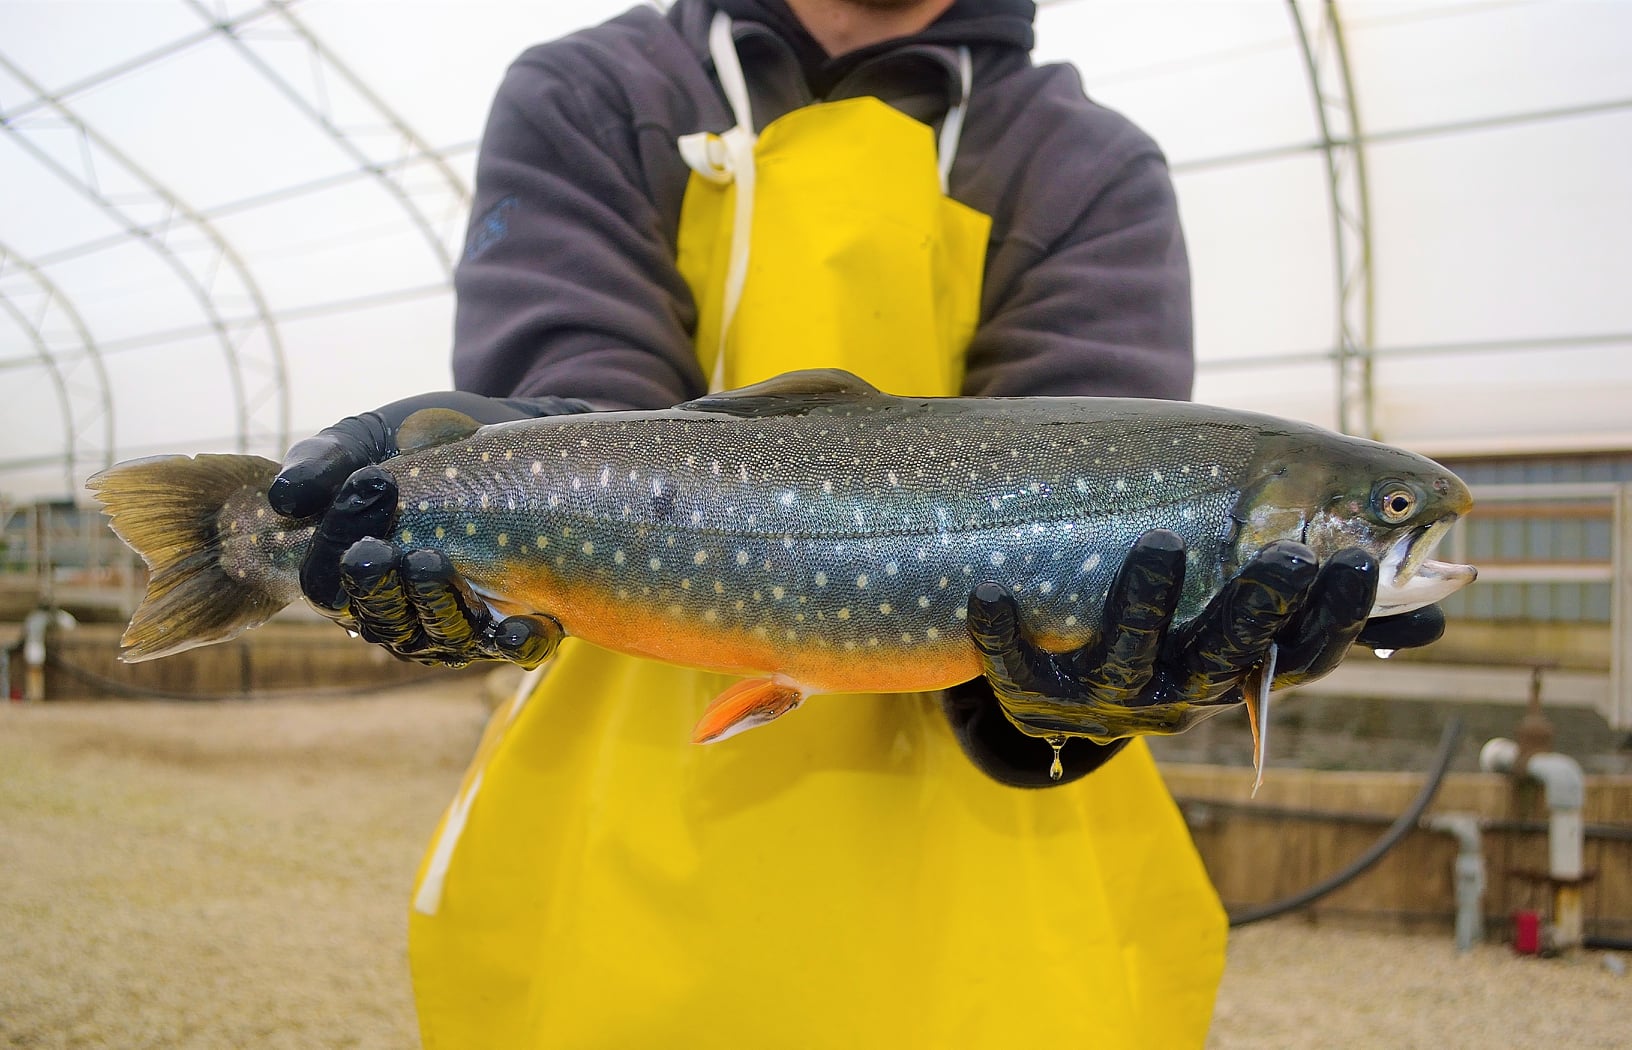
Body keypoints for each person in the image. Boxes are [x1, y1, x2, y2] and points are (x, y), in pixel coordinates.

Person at [270, 1, 1443, 1045]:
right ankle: (244, 547)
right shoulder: (596, 93)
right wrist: (496, 476)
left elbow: (1102, 519)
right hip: (617, 839)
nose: (1399, 524)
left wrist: (1054, 721)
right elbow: (588, 384)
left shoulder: (1085, 161)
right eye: (1388, 513)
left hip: (997, 895)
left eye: (1391, 515)